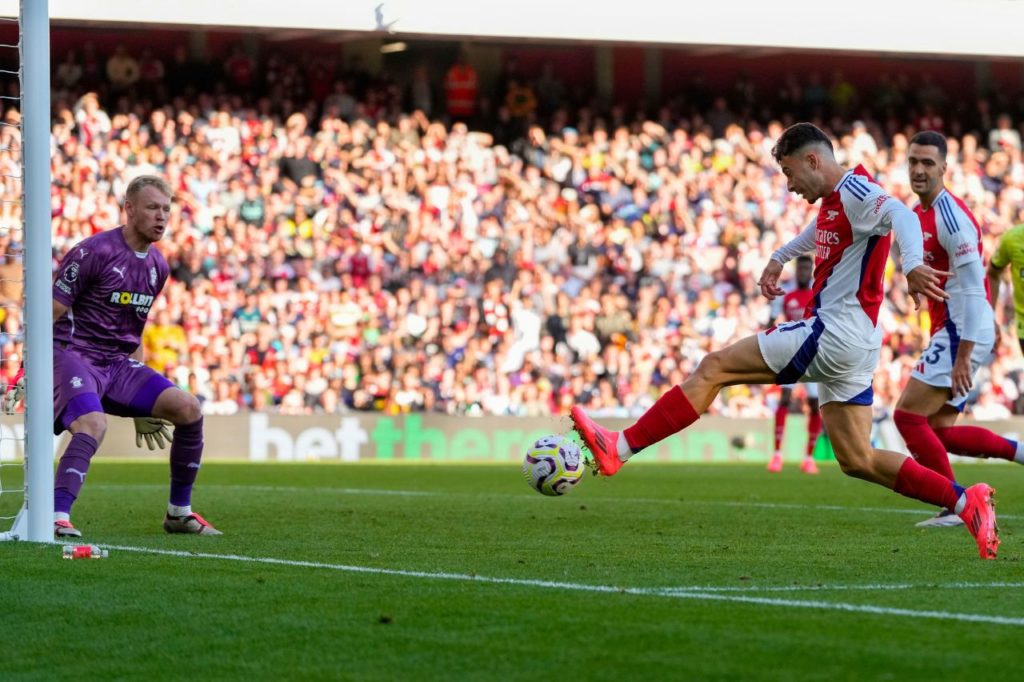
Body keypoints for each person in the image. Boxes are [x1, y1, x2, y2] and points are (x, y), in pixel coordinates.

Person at [570, 122, 1000, 559]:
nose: (789, 185)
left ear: (814, 160)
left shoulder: (857, 194)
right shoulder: (839, 199)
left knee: (714, 368)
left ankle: (619, 447)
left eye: (791, 172)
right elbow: (822, 234)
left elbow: (903, 216)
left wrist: (910, 267)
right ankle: (967, 502)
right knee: (858, 459)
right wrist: (780, 257)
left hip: (833, 331)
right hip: (856, 342)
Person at [47, 175, 220, 538]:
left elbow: (133, 329)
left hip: (117, 363)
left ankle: (179, 513)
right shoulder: (92, 252)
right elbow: (49, 313)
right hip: (73, 354)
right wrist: (27, 367)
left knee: (188, 409)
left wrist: (142, 409)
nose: (162, 217)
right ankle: (55, 515)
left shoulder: (158, 266)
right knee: (93, 425)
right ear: (129, 209)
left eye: (166, 210)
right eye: (153, 207)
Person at [892, 131, 1021, 529]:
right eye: (913, 161)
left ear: (945, 168)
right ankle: (1019, 453)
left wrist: (966, 352)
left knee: (907, 418)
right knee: (939, 430)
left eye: (928, 163)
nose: (919, 169)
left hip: (960, 330)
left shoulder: (951, 218)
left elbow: (969, 290)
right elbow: (978, 280)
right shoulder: (918, 214)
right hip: (960, 327)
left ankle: (959, 503)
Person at [767, 255, 822, 474]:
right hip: (789, 354)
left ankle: (808, 457)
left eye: (806, 269)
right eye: (800, 269)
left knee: (815, 403)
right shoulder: (785, 293)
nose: (803, 273)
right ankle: (777, 454)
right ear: (797, 269)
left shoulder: (818, 291)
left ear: (810, 271)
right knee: (786, 399)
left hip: (812, 355)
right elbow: (770, 322)